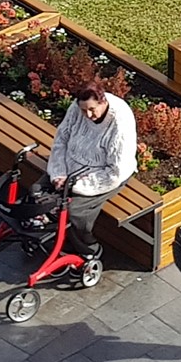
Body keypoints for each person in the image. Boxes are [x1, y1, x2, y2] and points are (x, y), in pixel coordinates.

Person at [48, 83, 136, 273]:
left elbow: (115, 171)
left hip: (104, 175)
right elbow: (61, 139)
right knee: (38, 192)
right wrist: (58, 173)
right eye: (83, 110)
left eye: (92, 110)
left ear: (103, 102)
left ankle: (89, 249)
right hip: (70, 165)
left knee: (74, 209)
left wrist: (74, 185)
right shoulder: (76, 107)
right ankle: (59, 237)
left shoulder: (120, 122)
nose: (87, 115)